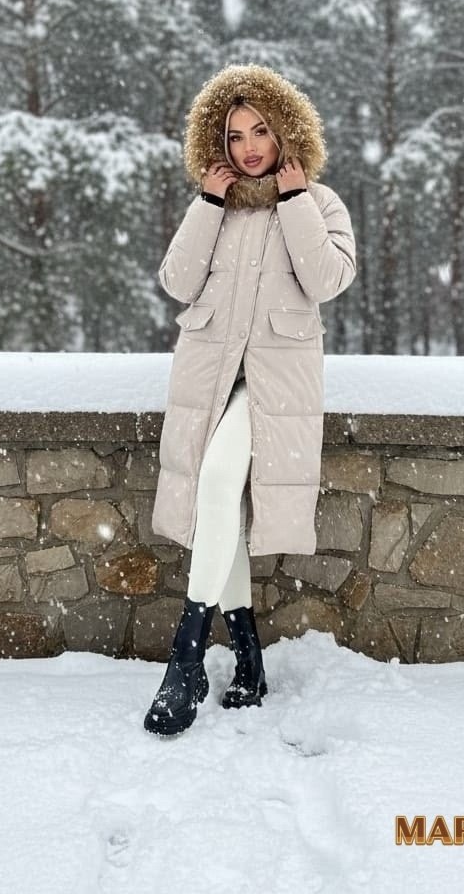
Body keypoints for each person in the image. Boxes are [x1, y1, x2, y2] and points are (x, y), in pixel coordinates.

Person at [144, 63, 357, 736]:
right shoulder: (217, 205)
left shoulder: (320, 203)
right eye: (234, 135)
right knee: (221, 508)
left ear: (286, 129)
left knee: (214, 487)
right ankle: (246, 656)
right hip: (211, 381)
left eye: (261, 130)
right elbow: (177, 281)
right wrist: (208, 204)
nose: (249, 147)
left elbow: (327, 279)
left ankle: (184, 658)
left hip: (271, 388)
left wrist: (293, 201)